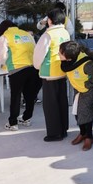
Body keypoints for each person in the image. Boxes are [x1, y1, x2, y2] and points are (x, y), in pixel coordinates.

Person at [33, 8, 71, 141]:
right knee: (62, 101)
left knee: (50, 105)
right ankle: (63, 129)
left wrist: (37, 66)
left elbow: (39, 55)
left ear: (49, 20)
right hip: (62, 71)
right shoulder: (65, 32)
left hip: (49, 73)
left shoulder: (47, 35)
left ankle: (54, 133)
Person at [0, 20, 39, 131]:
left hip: (17, 69)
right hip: (32, 68)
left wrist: (5, 64)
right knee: (29, 96)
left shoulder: (5, 37)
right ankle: (26, 118)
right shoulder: (27, 35)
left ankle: (13, 123)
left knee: (16, 96)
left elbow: (1, 56)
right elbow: (35, 49)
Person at [59, 41, 93, 152]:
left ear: (69, 56)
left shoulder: (87, 63)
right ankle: (82, 133)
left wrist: (86, 85)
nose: (58, 54)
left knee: (86, 113)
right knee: (77, 112)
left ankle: (89, 137)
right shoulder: (67, 62)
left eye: (61, 53)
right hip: (78, 89)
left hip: (90, 90)